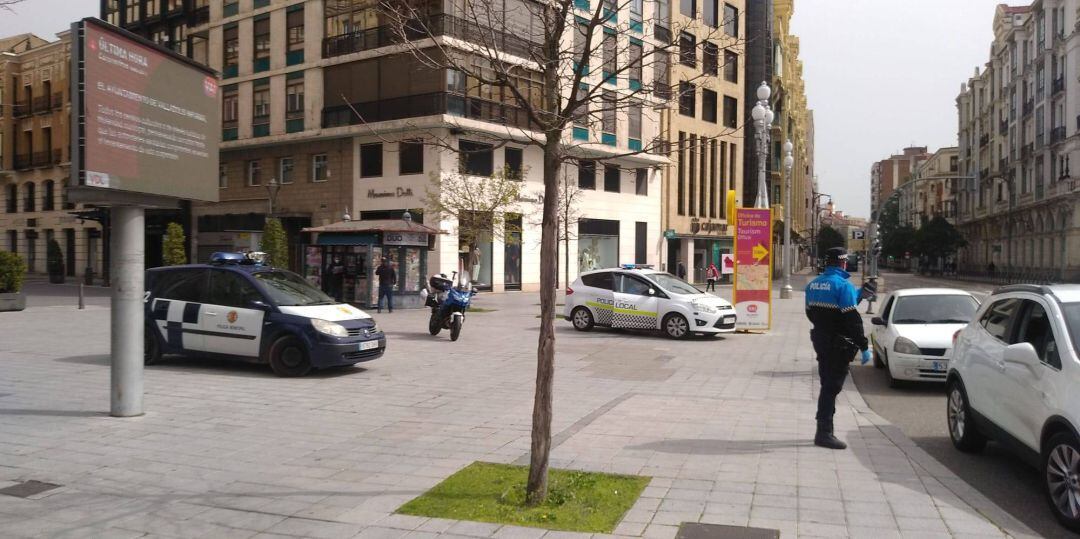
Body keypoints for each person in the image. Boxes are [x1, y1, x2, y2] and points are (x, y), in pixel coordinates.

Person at [805, 247, 869, 450]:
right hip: (839, 344)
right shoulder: (843, 285)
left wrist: (859, 295)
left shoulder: (813, 285)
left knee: (827, 384)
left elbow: (812, 313)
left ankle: (824, 429)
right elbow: (852, 319)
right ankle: (824, 433)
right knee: (832, 387)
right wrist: (864, 346)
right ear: (843, 262)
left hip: (821, 340)